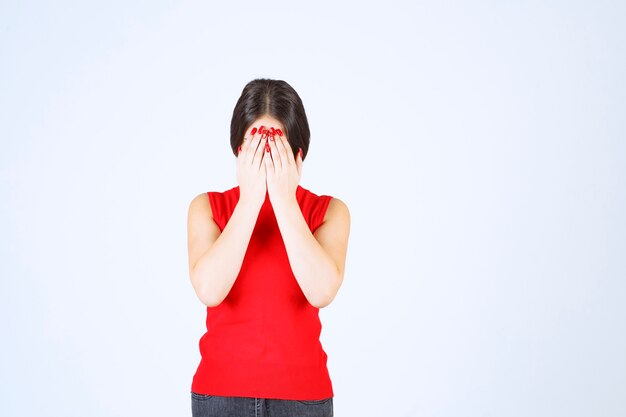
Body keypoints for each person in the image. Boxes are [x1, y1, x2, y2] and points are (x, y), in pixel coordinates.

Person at [186, 78, 351, 417]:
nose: (265, 156)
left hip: (304, 396)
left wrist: (283, 200)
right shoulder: (207, 208)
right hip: (219, 394)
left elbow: (321, 291)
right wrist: (249, 201)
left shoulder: (330, 212)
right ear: (238, 150)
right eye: (256, 144)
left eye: (275, 146)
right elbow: (209, 289)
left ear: (297, 153)